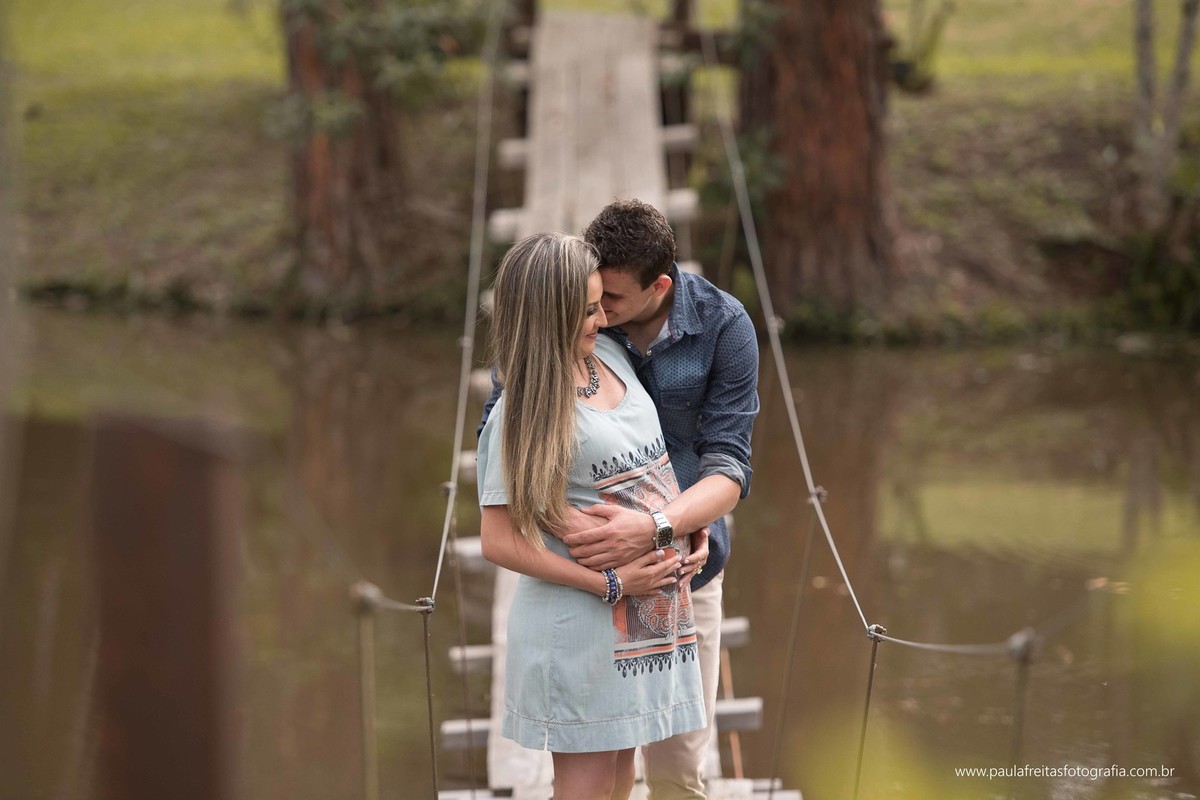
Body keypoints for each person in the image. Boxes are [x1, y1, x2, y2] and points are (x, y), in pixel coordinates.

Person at [481, 200, 760, 799]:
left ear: (659, 286)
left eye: (608, 303)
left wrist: (672, 524)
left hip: (682, 580)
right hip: (595, 598)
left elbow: (728, 465)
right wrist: (598, 553)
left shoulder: (721, 327)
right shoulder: (563, 345)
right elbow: (510, 463)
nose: (600, 316)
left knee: (673, 772)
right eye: (588, 303)